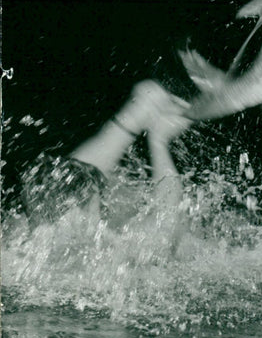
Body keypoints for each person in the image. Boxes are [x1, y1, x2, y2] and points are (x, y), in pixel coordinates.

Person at [22, 80, 191, 230]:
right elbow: (165, 225)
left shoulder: (27, 236)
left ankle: (139, 112)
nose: (99, 221)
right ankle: (138, 113)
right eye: (95, 212)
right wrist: (158, 141)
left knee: (72, 178)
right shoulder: (85, 253)